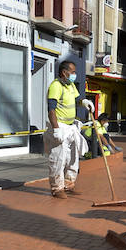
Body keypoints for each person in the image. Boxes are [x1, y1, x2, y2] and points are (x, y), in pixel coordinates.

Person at [45, 59, 86, 198]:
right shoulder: (56, 86)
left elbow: (76, 100)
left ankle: (69, 185)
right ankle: (57, 189)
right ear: (64, 72)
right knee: (58, 159)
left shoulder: (70, 85)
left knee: (72, 159)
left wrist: (84, 102)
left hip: (71, 127)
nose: (75, 74)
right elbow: (51, 109)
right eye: (73, 72)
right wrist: (55, 129)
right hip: (60, 126)